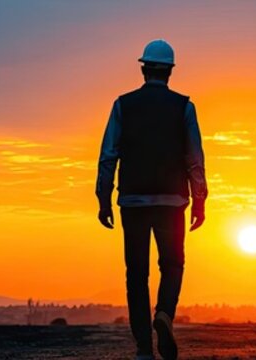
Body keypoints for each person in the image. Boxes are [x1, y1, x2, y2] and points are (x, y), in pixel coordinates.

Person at [96, 38, 207, 360]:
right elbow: (194, 160)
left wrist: (104, 197)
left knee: (136, 274)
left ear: (144, 69)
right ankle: (165, 314)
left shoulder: (123, 105)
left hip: (133, 200)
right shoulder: (185, 107)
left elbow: (108, 156)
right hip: (172, 201)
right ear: (170, 71)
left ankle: (144, 347)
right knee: (172, 265)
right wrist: (199, 200)